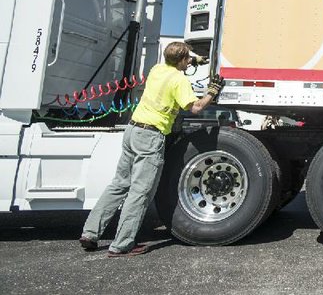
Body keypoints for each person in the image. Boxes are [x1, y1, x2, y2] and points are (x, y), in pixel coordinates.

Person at [78, 42, 225, 257]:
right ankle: (122, 245)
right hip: (151, 136)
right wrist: (212, 91)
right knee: (140, 192)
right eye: (188, 59)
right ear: (182, 61)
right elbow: (195, 107)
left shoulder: (157, 69)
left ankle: (90, 233)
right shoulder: (179, 80)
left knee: (119, 184)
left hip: (133, 130)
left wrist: (195, 61)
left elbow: (176, 62)